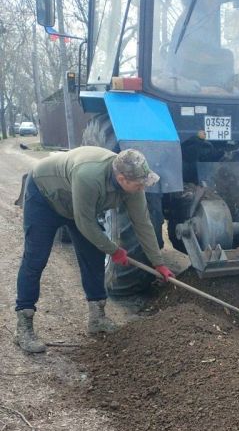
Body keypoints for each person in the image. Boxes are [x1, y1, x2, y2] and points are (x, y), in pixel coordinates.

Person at [15, 146, 174, 353]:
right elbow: (85, 223)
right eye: (139, 184)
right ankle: (24, 326)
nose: (142, 187)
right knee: (35, 259)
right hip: (45, 197)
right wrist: (113, 250)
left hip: (78, 206)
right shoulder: (89, 176)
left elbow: (143, 224)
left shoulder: (133, 186)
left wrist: (158, 263)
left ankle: (97, 318)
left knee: (93, 257)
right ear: (121, 178)